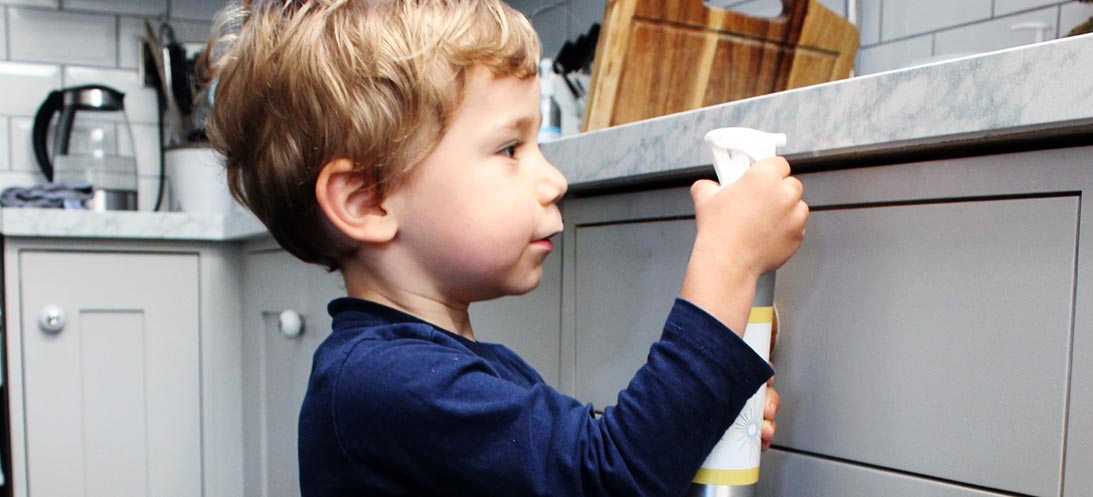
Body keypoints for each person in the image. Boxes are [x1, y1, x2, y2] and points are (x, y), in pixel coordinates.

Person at [205, 1, 808, 495]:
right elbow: (610, 478)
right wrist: (728, 262)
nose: (555, 181)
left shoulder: (442, 369)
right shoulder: (385, 383)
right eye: (510, 150)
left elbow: (583, 464)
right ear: (366, 200)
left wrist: (693, 421)